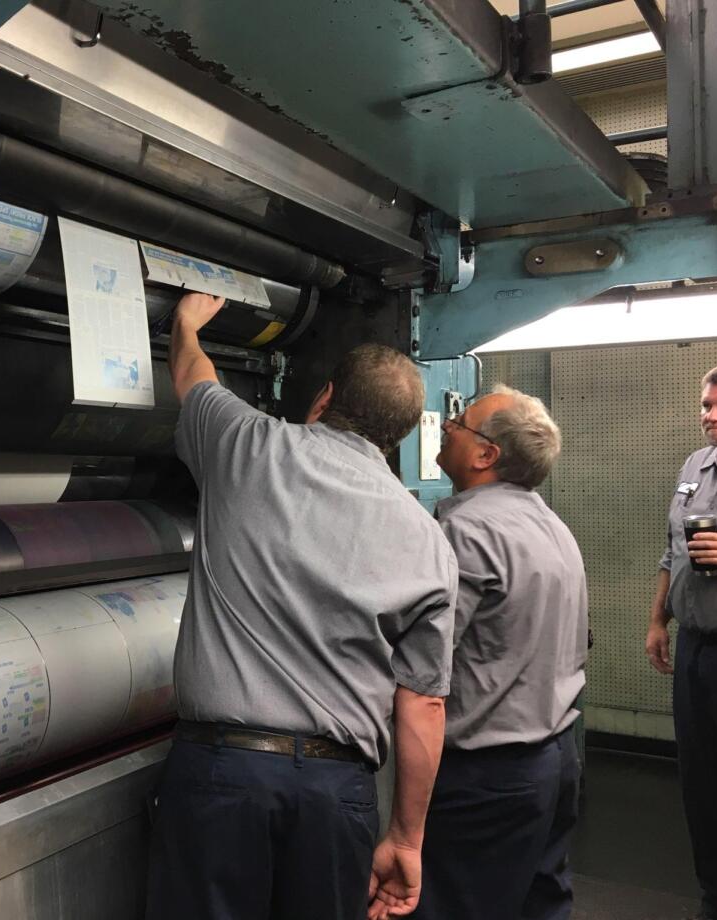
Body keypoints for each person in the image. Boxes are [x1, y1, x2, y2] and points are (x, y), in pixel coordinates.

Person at [145, 292, 458, 920]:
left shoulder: (246, 445)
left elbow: (192, 376)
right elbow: (423, 703)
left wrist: (184, 325)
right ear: (399, 434)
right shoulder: (429, 539)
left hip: (220, 776)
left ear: (324, 397)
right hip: (336, 791)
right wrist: (405, 838)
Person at [414, 386, 587, 920]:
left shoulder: (464, 529)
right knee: (538, 903)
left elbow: (425, 664)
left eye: (459, 422)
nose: (445, 426)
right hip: (554, 759)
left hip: (488, 774)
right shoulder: (549, 523)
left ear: (486, 454)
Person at [646, 361, 717, 920]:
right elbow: (672, 550)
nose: (710, 414)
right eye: (707, 404)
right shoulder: (695, 465)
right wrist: (659, 620)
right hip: (695, 649)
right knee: (704, 787)